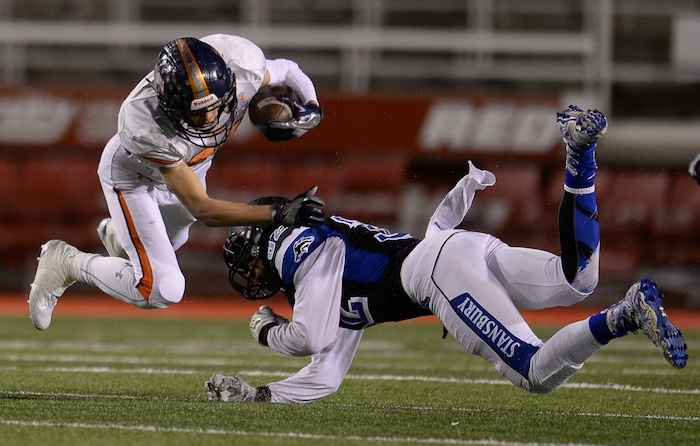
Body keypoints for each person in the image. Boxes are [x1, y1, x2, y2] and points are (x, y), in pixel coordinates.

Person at [205, 105, 688, 404]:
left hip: (434, 273)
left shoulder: (293, 246)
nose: (249, 272)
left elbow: (310, 335)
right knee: (577, 277)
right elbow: (325, 373)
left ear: (262, 238)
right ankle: (580, 159)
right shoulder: (317, 277)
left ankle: (624, 316)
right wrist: (260, 395)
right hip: (453, 250)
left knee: (535, 373)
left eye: (245, 257)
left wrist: (269, 332)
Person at [28, 34, 326, 331]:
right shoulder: (142, 121)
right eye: (196, 112)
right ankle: (67, 262)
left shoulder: (242, 63)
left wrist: (311, 107)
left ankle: (121, 235)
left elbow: (287, 69)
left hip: (192, 169)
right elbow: (203, 209)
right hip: (133, 176)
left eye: (215, 105)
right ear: (169, 103)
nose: (210, 117)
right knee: (161, 288)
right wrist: (277, 212)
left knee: (174, 241)